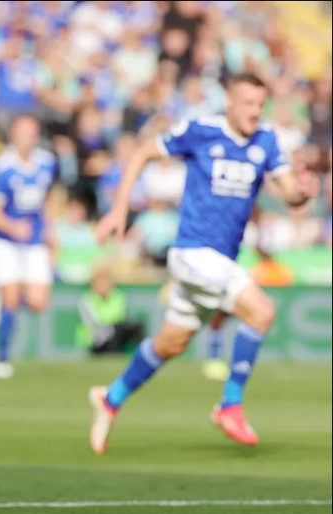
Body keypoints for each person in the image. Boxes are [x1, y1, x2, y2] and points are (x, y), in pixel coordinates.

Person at [89, 73, 316, 455]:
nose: (254, 112)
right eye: (247, 104)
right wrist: (119, 210)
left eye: (260, 105)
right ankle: (229, 404)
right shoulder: (200, 130)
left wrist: (301, 194)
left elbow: (289, 191)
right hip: (192, 252)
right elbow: (143, 151)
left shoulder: (266, 140)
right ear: (229, 101)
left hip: (222, 261)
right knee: (261, 312)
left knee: (171, 342)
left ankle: (110, 397)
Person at [0, 115, 57, 378]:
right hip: (6, 241)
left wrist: (50, 229)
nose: (28, 138)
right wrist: (13, 227)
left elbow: (48, 199)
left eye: (32, 133)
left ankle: (1, 295)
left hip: (34, 241)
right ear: (14, 135)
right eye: (23, 133)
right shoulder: (3, 167)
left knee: (38, 302)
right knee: (11, 298)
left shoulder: (46, 163)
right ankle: (4, 357)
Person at [77, 263, 144, 355]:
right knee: (112, 331)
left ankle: (140, 354)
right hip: (96, 339)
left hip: (115, 332)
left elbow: (121, 317)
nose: (103, 287)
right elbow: (94, 322)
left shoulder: (119, 296)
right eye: (100, 283)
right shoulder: (87, 299)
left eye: (106, 283)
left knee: (134, 327)